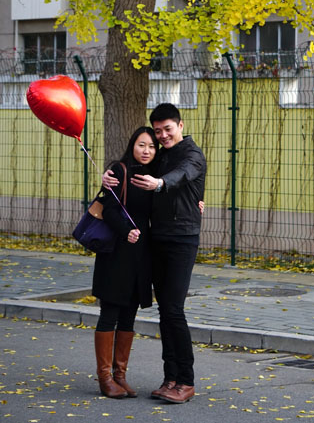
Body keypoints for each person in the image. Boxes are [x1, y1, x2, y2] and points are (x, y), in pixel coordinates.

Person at [131, 102, 207, 404]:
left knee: (174, 310)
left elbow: (183, 175)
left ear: (181, 126)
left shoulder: (192, 155)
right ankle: (170, 378)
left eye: (167, 129)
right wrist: (111, 178)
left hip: (182, 240)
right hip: (158, 238)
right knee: (165, 311)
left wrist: (161, 183)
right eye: (158, 130)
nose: (162, 135)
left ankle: (186, 381)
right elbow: (136, 164)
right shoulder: (160, 155)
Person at [92, 126, 158, 399]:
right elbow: (107, 208)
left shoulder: (156, 176)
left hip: (141, 254)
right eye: (142, 145)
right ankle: (105, 377)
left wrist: (196, 202)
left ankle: (121, 375)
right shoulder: (119, 171)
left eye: (152, 146)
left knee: (130, 313)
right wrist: (124, 230)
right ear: (133, 145)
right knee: (111, 311)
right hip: (117, 251)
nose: (147, 151)